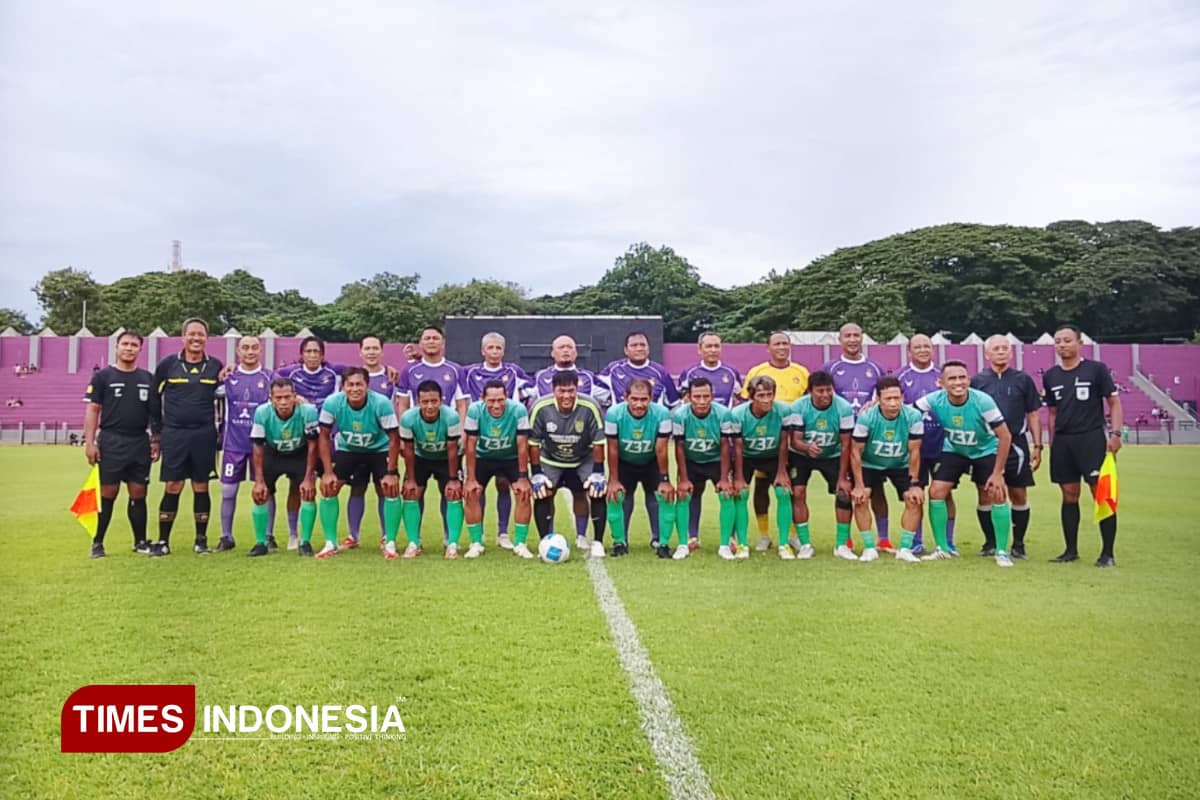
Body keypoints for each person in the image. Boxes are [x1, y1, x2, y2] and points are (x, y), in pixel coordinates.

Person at [915, 361, 1014, 567]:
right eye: (952, 378)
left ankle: (1002, 552)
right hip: (954, 449)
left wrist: (998, 473)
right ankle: (943, 548)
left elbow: (1004, 436)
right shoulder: (934, 399)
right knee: (936, 491)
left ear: (969, 380)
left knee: (997, 493)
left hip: (985, 450)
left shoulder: (982, 401)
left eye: (962, 378)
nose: (958, 382)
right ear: (940, 383)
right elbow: (907, 411)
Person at [1042, 324, 1123, 567]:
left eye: (1067, 340)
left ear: (1080, 343)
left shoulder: (1096, 370)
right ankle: (1070, 550)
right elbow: (1053, 411)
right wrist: (1053, 441)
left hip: (1091, 438)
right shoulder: (1050, 375)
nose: (1062, 345)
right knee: (1068, 494)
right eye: (1058, 341)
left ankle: (1107, 553)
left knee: (1100, 493)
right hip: (1064, 441)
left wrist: (1116, 433)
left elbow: (1114, 403)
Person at [81, 331, 160, 558]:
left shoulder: (147, 378)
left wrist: (155, 439)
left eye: (134, 345)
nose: (129, 348)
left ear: (140, 349)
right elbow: (93, 409)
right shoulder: (103, 376)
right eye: (125, 344)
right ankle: (98, 542)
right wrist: (90, 442)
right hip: (111, 440)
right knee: (108, 492)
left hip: (139, 441)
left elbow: (155, 413)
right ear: (117, 347)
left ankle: (140, 541)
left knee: (138, 492)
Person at [150, 318, 224, 556]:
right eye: (191, 334)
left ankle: (201, 541)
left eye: (200, 334)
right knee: (173, 485)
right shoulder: (168, 365)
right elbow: (153, 400)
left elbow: (225, 397)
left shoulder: (215, 366)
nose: (196, 338)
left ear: (207, 338)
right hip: (174, 433)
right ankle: (162, 541)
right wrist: (156, 435)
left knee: (201, 485)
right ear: (183, 337)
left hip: (204, 434)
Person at [314, 368, 402, 560]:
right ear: (343, 386)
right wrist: (328, 472)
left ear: (367, 386)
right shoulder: (333, 403)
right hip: (349, 449)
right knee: (331, 487)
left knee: (388, 488)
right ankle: (334, 541)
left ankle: (389, 540)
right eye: (350, 384)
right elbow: (323, 436)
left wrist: (392, 471)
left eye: (359, 384)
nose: (355, 389)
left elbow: (394, 438)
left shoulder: (381, 403)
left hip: (378, 450)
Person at [971, 335, 1043, 559]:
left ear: (1011, 353)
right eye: (996, 348)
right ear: (987, 354)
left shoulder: (1023, 380)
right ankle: (990, 542)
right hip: (986, 445)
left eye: (1005, 348)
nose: (1001, 352)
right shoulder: (977, 381)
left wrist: (1038, 445)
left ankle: (1018, 544)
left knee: (1018, 493)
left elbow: (1033, 414)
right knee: (986, 493)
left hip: (1017, 446)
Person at [532, 335, 610, 541]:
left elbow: (599, 440)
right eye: (561, 347)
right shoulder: (541, 384)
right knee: (543, 491)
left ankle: (584, 536)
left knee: (588, 491)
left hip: (582, 454)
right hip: (551, 455)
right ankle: (545, 539)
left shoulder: (590, 384)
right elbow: (532, 441)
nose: (566, 395)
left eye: (569, 347)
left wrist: (599, 472)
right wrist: (535, 472)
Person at [394, 326, 467, 547]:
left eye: (436, 338)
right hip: (418, 442)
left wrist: (461, 431)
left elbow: (463, 403)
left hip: (448, 441)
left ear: (442, 342)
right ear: (421, 342)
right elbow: (403, 403)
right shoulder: (410, 370)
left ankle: (449, 539)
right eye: (427, 338)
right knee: (415, 488)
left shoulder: (455, 370)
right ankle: (415, 540)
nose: (431, 341)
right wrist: (403, 431)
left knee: (451, 489)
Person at [461, 332, 534, 549]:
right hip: (483, 450)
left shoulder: (514, 372)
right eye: (490, 348)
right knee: (474, 489)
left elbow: (534, 387)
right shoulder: (470, 373)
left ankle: (505, 534)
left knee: (510, 487)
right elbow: (471, 444)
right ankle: (478, 537)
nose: (494, 352)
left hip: (508, 451)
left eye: (498, 348)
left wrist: (523, 476)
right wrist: (470, 477)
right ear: (483, 350)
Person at [741, 333, 810, 550]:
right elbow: (747, 405)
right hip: (761, 440)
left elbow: (808, 403)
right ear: (768, 347)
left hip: (789, 443)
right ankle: (764, 535)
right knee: (760, 488)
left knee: (788, 488)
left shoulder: (801, 372)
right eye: (777, 343)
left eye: (785, 343)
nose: (782, 347)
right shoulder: (757, 372)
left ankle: (791, 534)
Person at [823, 322, 886, 550]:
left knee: (876, 488)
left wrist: (876, 402)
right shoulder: (830, 368)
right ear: (840, 340)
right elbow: (821, 398)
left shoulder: (876, 368)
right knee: (845, 489)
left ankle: (884, 539)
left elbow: (886, 395)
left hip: (870, 438)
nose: (852, 339)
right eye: (847, 336)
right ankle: (845, 539)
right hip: (842, 439)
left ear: (862, 338)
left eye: (856, 335)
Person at [849, 377, 925, 563]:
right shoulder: (867, 417)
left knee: (914, 499)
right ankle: (869, 548)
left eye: (896, 398)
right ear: (878, 399)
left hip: (901, 464)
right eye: (887, 399)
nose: (893, 403)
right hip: (870, 464)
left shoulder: (913, 416)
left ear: (902, 397)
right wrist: (858, 484)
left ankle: (905, 549)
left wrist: (915, 484)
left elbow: (915, 451)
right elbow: (855, 451)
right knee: (861, 498)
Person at [896, 334, 956, 555]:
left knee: (945, 493)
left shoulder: (943, 375)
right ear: (909, 351)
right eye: (917, 347)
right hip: (914, 447)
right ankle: (916, 541)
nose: (923, 350)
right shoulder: (900, 376)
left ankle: (948, 542)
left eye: (927, 346)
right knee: (915, 492)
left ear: (933, 349)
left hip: (942, 445)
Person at [786, 370, 855, 560]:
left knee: (844, 493)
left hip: (832, 454)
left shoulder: (844, 408)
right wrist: (807, 447)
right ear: (810, 391)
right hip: (801, 455)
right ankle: (805, 544)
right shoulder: (798, 406)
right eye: (820, 391)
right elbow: (794, 441)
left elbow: (846, 444)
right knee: (798, 493)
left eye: (828, 390)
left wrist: (842, 477)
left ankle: (841, 545)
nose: (825, 395)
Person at [342, 334, 402, 550]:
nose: (371, 352)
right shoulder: (351, 377)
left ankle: (387, 535)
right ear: (360, 352)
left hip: (382, 446)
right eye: (367, 348)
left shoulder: (393, 376)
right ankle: (353, 535)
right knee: (356, 488)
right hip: (355, 446)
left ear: (382, 351)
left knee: (383, 488)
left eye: (375, 348)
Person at [248, 378, 319, 557]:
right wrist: (258, 480)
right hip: (273, 453)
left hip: (299, 453)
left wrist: (309, 477)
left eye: (287, 397)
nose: (283, 402)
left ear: (295, 397)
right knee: (261, 494)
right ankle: (261, 542)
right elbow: (257, 446)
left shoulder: (308, 411)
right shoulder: (262, 412)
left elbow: (313, 444)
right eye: (278, 398)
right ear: (270, 398)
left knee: (305, 492)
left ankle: (302, 541)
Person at [604, 379, 674, 558]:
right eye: (634, 399)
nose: (639, 404)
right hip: (624, 461)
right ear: (625, 397)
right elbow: (612, 447)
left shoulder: (662, 414)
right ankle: (620, 542)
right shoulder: (613, 413)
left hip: (651, 461)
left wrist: (665, 480)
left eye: (644, 399)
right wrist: (613, 479)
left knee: (660, 496)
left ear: (651, 398)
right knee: (618, 496)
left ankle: (661, 542)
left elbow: (661, 448)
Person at [215, 336, 273, 553]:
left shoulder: (269, 377)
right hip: (233, 445)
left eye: (254, 347)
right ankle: (226, 536)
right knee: (228, 491)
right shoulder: (228, 377)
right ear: (238, 351)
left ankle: (267, 535)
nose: (250, 351)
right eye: (245, 348)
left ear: (261, 350)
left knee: (265, 491)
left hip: (262, 445)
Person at [399, 381, 465, 558]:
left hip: (447, 458)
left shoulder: (451, 417)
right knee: (412, 492)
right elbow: (408, 449)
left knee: (452, 493)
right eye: (425, 402)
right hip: (421, 458)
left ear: (441, 401)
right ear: (418, 401)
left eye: (434, 401)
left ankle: (451, 542)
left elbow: (452, 449)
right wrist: (410, 479)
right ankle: (414, 542)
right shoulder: (408, 418)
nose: (429, 406)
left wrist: (453, 479)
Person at [672, 377, 737, 558]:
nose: (701, 401)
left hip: (716, 461)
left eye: (706, 397)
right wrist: (683, 478)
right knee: (686, 495)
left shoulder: (723, 413)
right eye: (697, 396)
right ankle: (687, 541)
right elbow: (679, 447)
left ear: (712, 396)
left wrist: (724, 477)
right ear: (689, 397)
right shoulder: (680, 416)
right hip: (692, 461)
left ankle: (727, 542)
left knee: (726, 494)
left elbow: (725, 445)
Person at [729, 376, 792, 559]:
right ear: (751, 396)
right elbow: (738, 447)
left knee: (783, 492)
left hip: (773, 457)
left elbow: (783, 442)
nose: (766, 400)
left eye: (770, 395)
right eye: (761, 395)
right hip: (747, 458)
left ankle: (784, 544)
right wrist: (739, 477)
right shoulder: (738, 414)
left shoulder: (783, 411)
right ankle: (742, 544)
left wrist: (781, 472)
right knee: (741, 494)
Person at [598, 331, 679, 407]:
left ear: (648, 349)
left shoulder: (661, 372)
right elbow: (596, 391)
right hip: (622, 420)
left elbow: (673, 403)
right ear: (626, 350)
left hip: (651, 421)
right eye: (634, 345)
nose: (639, 349)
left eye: (643, 345)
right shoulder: (613, 369)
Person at [531, 335, 609, 403]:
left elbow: (609, 394)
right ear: (552, 353)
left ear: (576, 353)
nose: (565, 350)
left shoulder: (588, 377)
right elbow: (522, 395)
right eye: (561, 347)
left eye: (570, 347)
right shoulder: (540, 377)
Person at [677, 331, 743, 407]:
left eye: (716, 346)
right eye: (709, 346)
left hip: (723, 418)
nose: (713, 350)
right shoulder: (689, 372)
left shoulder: (731, 372)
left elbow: (740, 397)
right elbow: (682, 398)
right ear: (700, 349)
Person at [277, 336, 341, 412]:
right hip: (300, 417)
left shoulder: (335, 371)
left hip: (326, 417)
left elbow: (356, 374)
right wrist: (293, 398)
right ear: (301, 354)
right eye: (308, 351)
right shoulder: (289, 372)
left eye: (316, 351)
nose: (312, 355)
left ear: (322, 355)